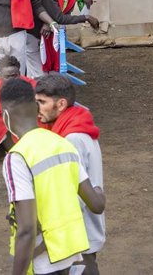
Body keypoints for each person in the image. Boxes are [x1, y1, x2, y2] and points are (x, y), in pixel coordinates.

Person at [0, 78, 105, 275]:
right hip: (68, 253)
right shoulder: (62, 143)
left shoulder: (17, 157)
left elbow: (27, 229)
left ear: (5, 115)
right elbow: (97, 204)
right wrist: (99, 190)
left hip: (42, 260)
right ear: (35, 107)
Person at [35, 73, 105, 274]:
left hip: (76, 237)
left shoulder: (71, 139)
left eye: (42, 102)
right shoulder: (76, 126)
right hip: (79, 234)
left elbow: (74, 195)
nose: (36, 108)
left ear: (61, 104)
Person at [41, 0, 100, 72]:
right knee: (42, 63)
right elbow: (60, 18)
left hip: (51, 27)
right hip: (39, 30)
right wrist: (86, 17)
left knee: (52, 61)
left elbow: (66, 13)